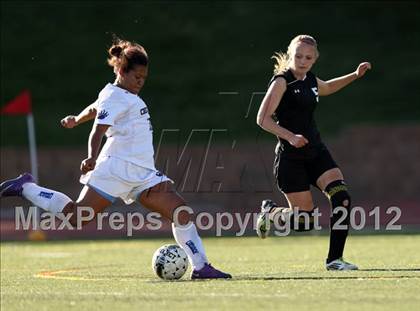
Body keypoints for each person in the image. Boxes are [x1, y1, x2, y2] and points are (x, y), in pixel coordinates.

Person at [0, 37, 231, 279]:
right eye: (136, 77)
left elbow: (94, 108)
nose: (140, 82)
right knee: (78, 218)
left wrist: (76, 119)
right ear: (121, 71)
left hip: (143, 173)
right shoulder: (115, 96)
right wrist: (91, 156)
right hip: (115, 169)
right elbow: (98, 129)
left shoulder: (115, 94)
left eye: (144, 78)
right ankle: (26, 187)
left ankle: (201, 267)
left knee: (181, 212)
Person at [255, 34, 371, 270]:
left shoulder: (309, 80)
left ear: (314, 60)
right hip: (291, 159)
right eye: (298, 56)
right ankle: (270, 212)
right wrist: (290, 136)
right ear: (290, 55)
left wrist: (355, 76)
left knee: (342, 197)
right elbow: (262, 119)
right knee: (304, 222)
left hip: (316, 152)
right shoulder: (281, 82)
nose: (303, 61)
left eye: (308, 57)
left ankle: (335, 260)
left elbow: (327, 87)